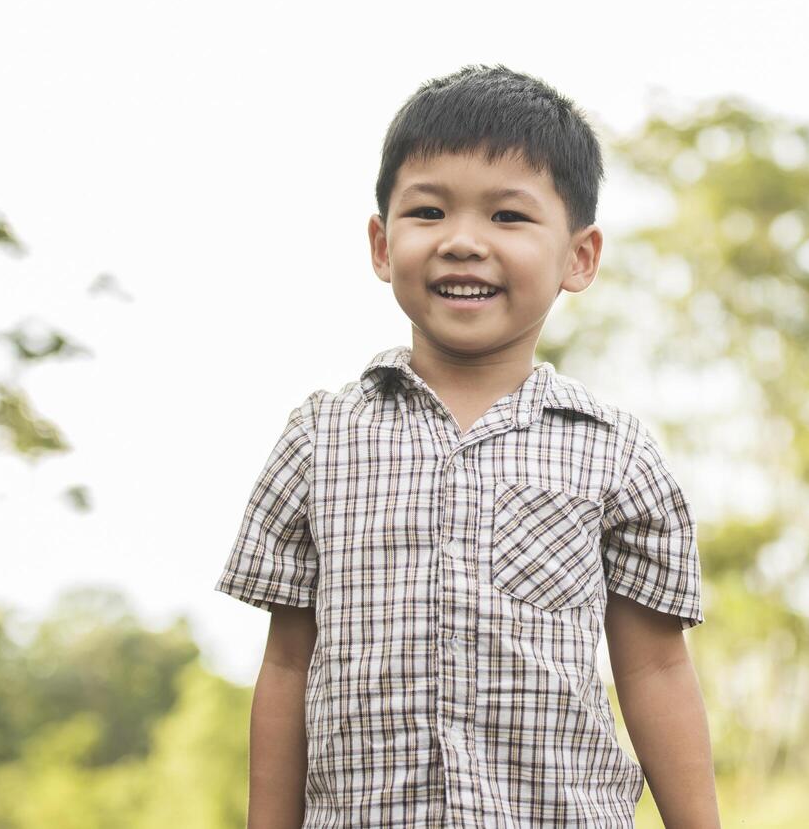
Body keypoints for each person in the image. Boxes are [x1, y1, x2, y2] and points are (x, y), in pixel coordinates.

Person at [215, 64, 718, 828]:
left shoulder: (614, 454)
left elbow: (653, 666)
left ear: (578, 257)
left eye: (508, 218)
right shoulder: (320, 439)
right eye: (428, 211)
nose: (461, 242)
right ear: (382, 245)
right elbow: (287, 663)